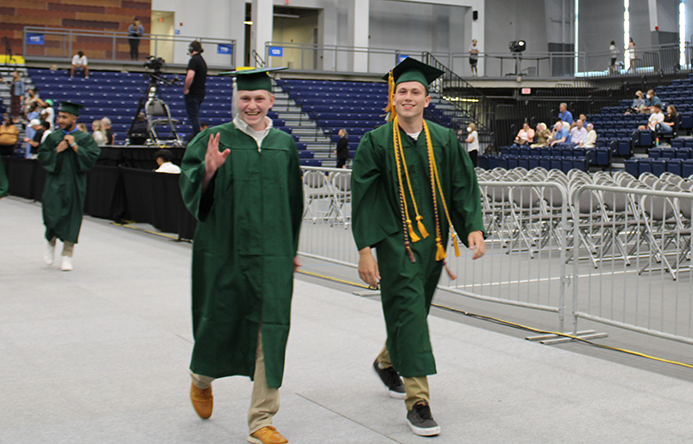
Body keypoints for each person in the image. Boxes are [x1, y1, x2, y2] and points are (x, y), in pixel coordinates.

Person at [352, 57, 485, 437]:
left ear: (427, 99)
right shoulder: (375, 143)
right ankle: (419, 402)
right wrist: (366, 248)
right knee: (409, 310)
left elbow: (463, 187)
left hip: (436, 244)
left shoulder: (443, 140)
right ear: (392, 99)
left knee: (414, 310)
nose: (407, 97)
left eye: (415, 92)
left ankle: (386, 359)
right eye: (402, 92)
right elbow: (363, 198)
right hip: (397, 244)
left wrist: (472, 229)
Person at [179, 67, 302, 444]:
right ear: (236, 99)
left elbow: (293, 203)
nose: (252, 105)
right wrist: (208, 172)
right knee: (218, 321)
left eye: (259, 99)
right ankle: (201, 379)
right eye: (245, 98)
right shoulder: (212, 138)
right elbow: (190, 192)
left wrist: (291, 248)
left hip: (273, 255)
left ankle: (261, 418)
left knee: (272, 329)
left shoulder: (284, 143)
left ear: (271, 102)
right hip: (224, 252)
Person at [38, 101, 101, 271]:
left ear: (74, 118)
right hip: (55, 182)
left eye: (64, 117)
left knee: (72, 218)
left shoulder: (85, 139)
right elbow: (42, 157)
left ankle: (67, 255)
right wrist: (56, 151)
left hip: (74, 184)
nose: (60, 120)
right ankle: (50, 242)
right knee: (51, 213)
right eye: (59, 116)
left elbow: (92, 158)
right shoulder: (53, 137)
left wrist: (74, 146)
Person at [184, 40, 207, 140]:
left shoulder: (193, 60)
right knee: (195, 115)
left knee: (193, 117)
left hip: (193, 93)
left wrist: (186, 89)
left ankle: (196, 138)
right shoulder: (202, 61)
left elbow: (190, 76)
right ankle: (197, 136)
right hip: (201, 92)